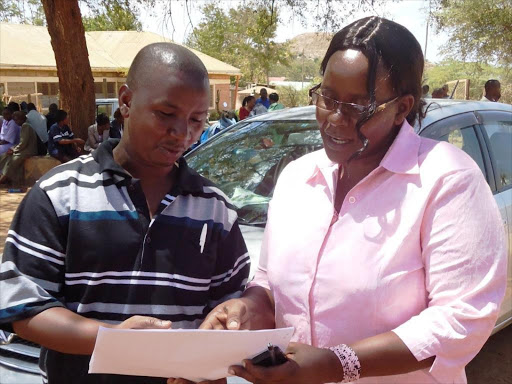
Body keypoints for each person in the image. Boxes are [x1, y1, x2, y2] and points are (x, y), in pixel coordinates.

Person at [201, 16, 507, 384]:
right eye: (327, 97)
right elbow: (270, 283)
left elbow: (462, 318)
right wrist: (248, 308)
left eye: (358, 106)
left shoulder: (446, 179)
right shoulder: (298, 177)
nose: (334, 118)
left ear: (402, 107)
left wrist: (336, 364)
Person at [0, 42, 248, 384]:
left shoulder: (215, 208)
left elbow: (230, 306)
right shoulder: (59, 194)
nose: (181, 132)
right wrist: (113, 339)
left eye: (196, 120)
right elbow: (23, 308)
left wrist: (217, 345)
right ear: (127, 102)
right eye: (166, 114)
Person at [0, 111, 38, 185]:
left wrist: (14, 150)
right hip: (24, 149)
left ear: (20, 119)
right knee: (5, 156)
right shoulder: (24, 126)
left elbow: (23, 143)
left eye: (16, 120)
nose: (15, 122)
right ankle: (6, 177)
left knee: (12, 160)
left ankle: (3, 178)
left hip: (29, 150)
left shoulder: (25, 126)